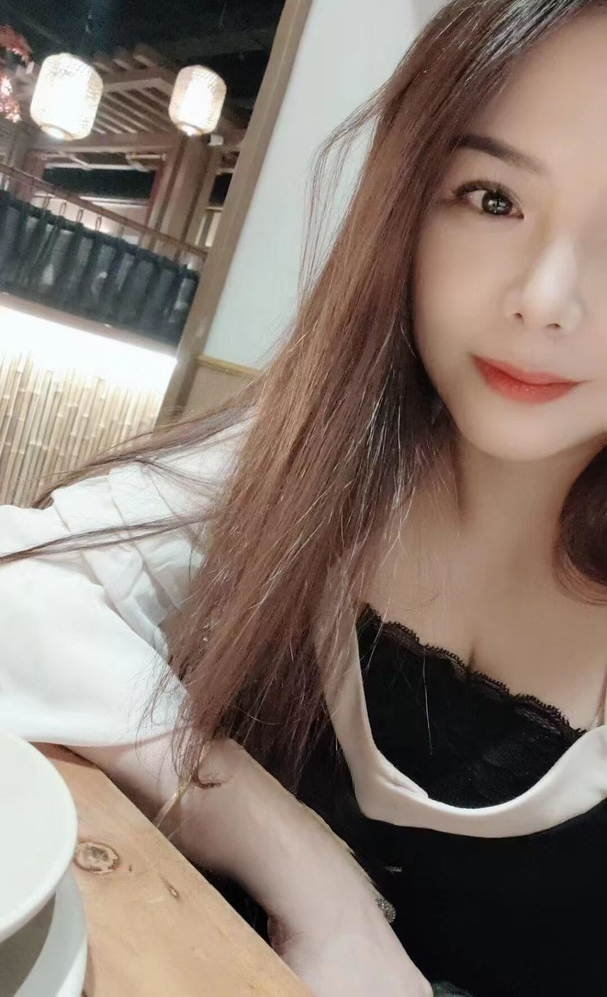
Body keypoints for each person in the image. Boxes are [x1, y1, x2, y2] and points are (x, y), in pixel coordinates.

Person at [2, 1, 607, 993]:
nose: (544, 297)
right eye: (492, 197)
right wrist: (299, 863)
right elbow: (17, 589)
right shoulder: (314, 461)